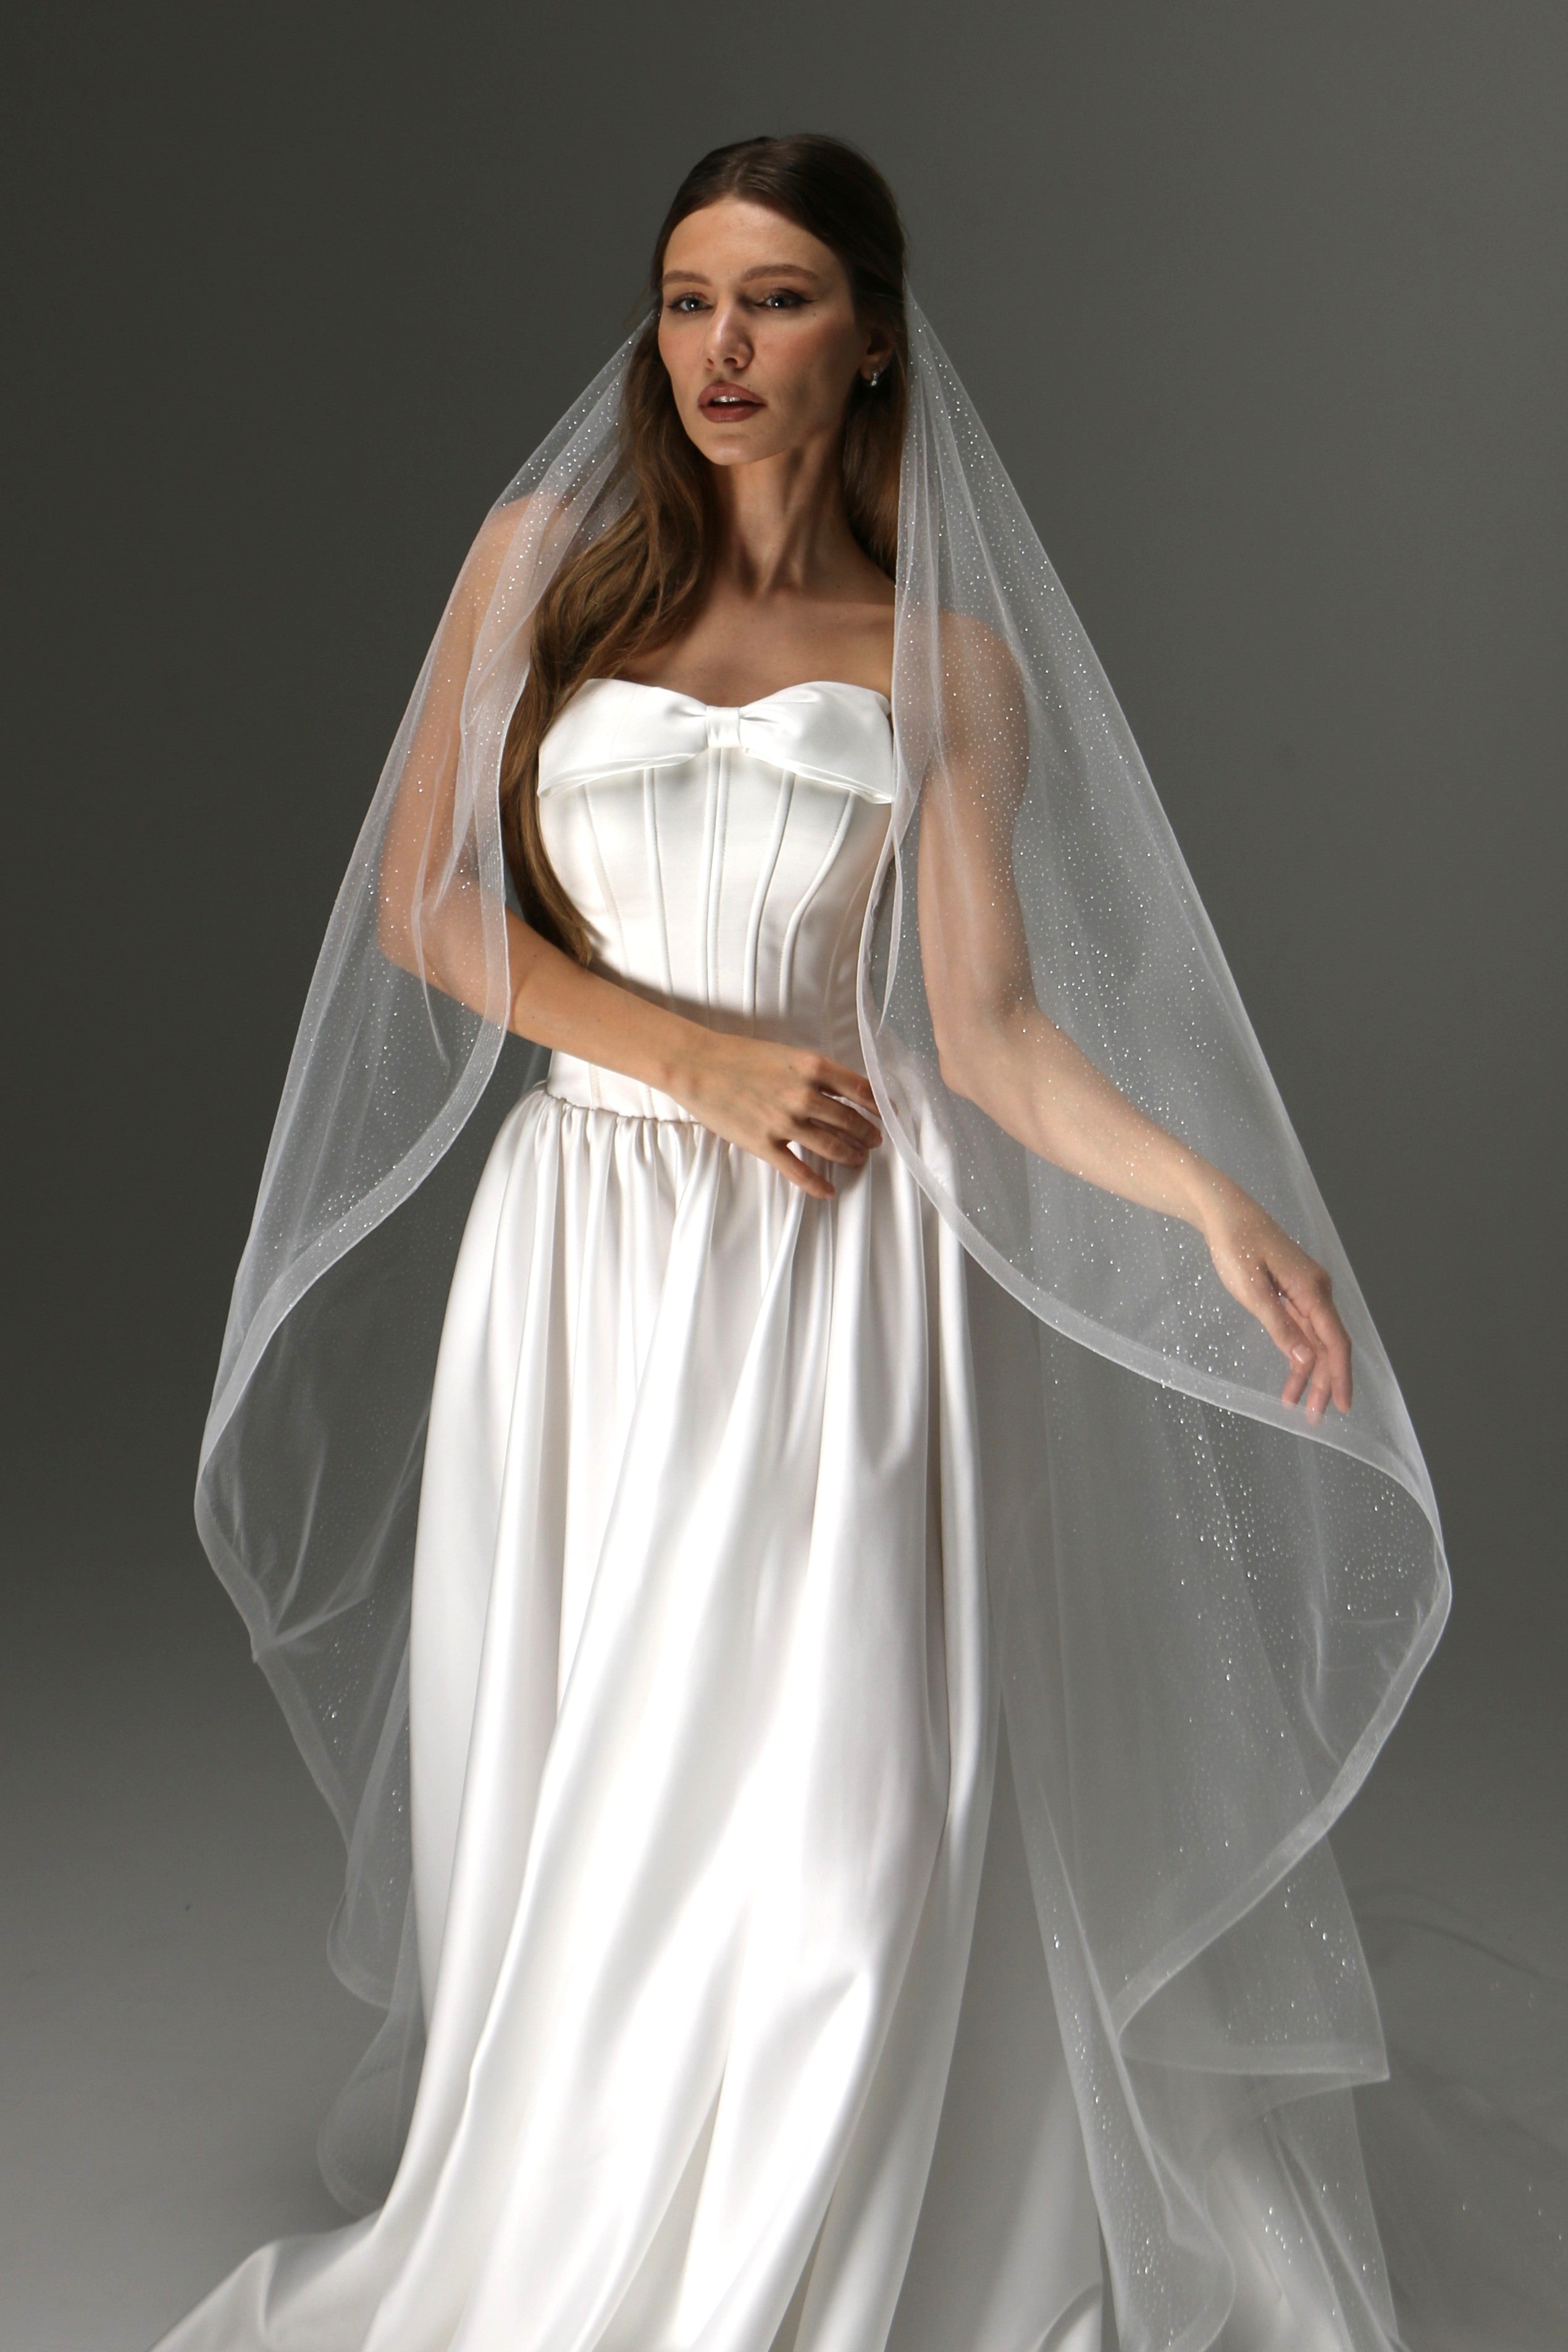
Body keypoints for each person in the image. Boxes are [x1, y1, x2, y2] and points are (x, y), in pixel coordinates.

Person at [156, 135, 1460, 2352]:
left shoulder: (944, 659)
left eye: (774, 300)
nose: (720, 348)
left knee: (849, 1796)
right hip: (586, 1254)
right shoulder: (539, 568)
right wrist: (700, 1064)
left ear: (871, 338)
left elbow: (993, 1033)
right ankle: (592, 2174)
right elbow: (427, 909)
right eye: (686, 300)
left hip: (849, 1274)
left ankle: (839, 2220)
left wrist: (1214, 1201)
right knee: (588, 1769)